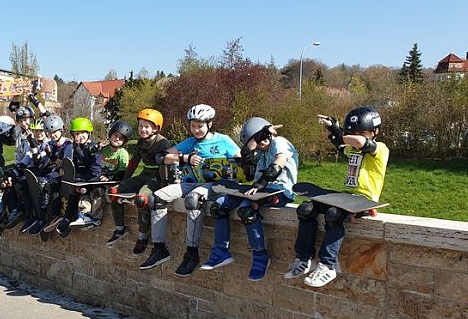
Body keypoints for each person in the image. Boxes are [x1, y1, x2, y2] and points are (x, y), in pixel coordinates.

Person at [285, 107, 389, 287]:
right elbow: (342, 145)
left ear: (375, 132)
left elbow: (362, 143)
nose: (356, 137)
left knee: (334, 215)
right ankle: (303, 259)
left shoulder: (380, 149)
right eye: (353, 133)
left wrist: (345, 135)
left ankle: (328, 265)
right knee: (306, 209)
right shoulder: (353, 150)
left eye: (362, 133)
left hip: (364, 201)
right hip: (346, 197)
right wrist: (333, 128)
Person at [140, 104, 240, 273]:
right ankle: (159, 249)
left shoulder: (223, 140)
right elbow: (161, 157)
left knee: (193, 199)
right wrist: (185, 158)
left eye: (200, 126)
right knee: (156, 198)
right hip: (192, 182)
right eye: (193, 126)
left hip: (215, 185)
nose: (196, 130)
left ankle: (192, 254)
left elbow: (240, 160)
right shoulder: (190, 142)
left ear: (210, 124)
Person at [200, 117, 299, 281]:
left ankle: (260, 255)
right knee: (218, 206)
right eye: (257, 142)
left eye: (260, 141)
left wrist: (260, 184)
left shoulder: (279, 142)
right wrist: (254, 144)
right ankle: (221, 251)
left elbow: (277, 164)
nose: (259, 146)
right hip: (258, 188)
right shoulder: (260, 151)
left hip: (280, 190)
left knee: (247, 209)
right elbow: (247, 161)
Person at [107, 109, 171, 255]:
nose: (143, 129)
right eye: (141, 126)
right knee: (114, 192)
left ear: (156, 128)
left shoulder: (163, 143)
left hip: (157, 177)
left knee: (142, 199)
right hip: (144, 174)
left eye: (147, 126)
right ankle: (119, 229)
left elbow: (169, 165)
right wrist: (123, 183)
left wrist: (165, 185)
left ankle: (142, 236)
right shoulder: (141, 142)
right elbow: (134, 163)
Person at [47, 117, 102, 234]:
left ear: (89, 133)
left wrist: (76, 148)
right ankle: (66, 217)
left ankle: (83, 214)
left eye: (82, 133)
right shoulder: (74, 147)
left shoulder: (92, 146)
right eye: (76, 134)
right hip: (81, 175)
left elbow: (87, 161)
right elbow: (71, 163)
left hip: (93, 174)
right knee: (71, 189)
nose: (79, 136)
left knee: (79, 187)